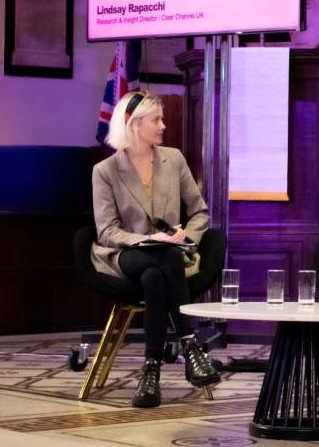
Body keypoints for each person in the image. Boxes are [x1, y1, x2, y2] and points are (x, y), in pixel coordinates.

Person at [91, 91, 220, 409]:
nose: (163, 125)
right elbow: (107, 231)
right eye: (156, 120)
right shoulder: (105, 171)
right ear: (134, 124)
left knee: (155, 277)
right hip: (125, 254)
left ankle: (150, 371)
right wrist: (150, 242)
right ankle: (190, 346)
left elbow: (200, 212)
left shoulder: (173, 159)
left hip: (170, 257)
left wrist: (184, 237)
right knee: (157, 258)